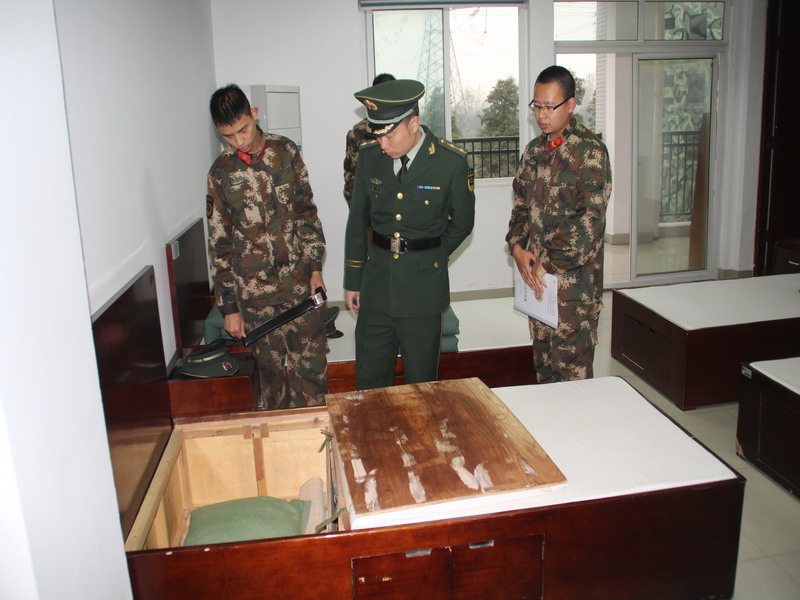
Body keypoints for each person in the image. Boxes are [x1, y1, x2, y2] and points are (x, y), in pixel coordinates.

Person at [344, 79, 475, 390]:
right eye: (378, 135)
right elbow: (357, 219)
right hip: (376, 285)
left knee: (421, 384)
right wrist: (353, 280)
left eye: (390, 135)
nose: (383, 144)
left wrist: (430, 255)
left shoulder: (450, 162)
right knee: (371, 382)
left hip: (423, 292)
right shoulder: (370, 157)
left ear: (413, 123)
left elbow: (463, 223)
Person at [206, 84, 328, 409]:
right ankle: (279, 440)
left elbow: (306, 213)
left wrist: (315, 269)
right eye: (228, 136)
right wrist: (229, 309)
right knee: (271, 384)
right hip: (256, 297)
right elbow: (219, 244)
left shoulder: (285, 151)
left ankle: (316, 436)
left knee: (311, 374)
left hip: (299, 287)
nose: (239, 141)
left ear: (254, 114)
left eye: (243, 129)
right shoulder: (220, 173)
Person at [506, 65, 612, 383]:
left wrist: (547, 262)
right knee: (544, 371)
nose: (542, 115)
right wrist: (517, 247)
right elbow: (521, 205)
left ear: (570, 105)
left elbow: (588, 224)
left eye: (549, 107)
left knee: (572, 378)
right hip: (539, 287)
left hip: (574, 292)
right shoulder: (534, 152)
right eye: (537, 106)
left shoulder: (589, 153)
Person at [343, 73, 396, 204]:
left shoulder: (406, 128)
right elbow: (351, 177)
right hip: (372, 205)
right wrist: (360, 210)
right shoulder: (359, 132)